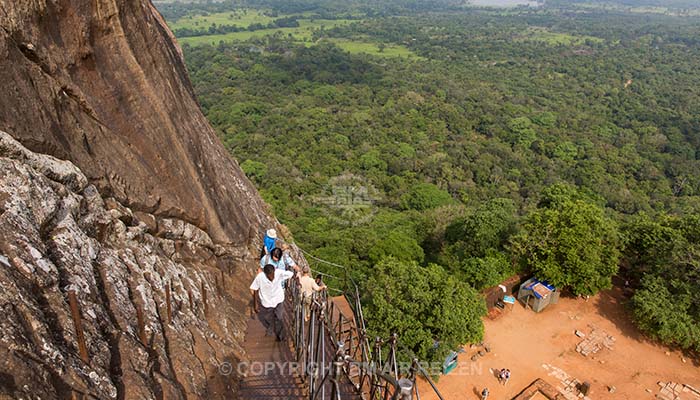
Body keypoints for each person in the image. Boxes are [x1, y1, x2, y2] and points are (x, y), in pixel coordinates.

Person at [250, 264, 296, 341]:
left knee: (279, 317)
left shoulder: (278, 273)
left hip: (278, 299)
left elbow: (290, 274)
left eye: (273, 274)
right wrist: (255, 304)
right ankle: (270, 328)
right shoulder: (260, 277)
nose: (272, 277)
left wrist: (297, 279)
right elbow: (254, 289)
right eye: (270, 275)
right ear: (266, 274)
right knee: (268, 318)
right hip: (267, 301)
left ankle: (281, 336)